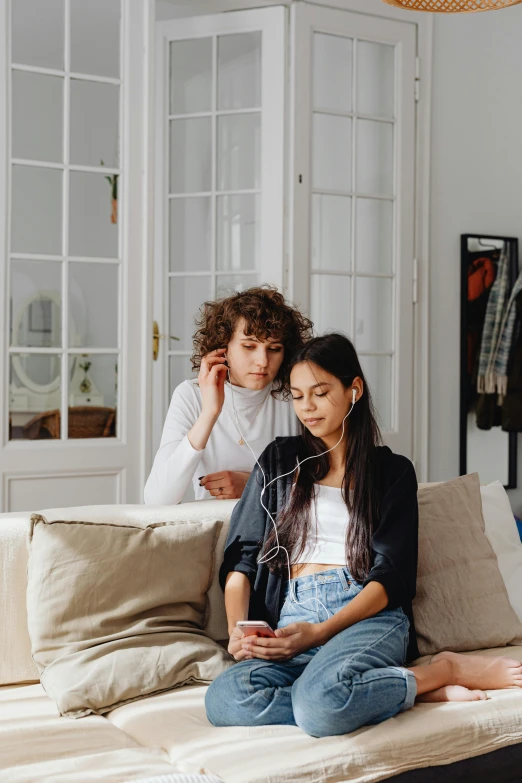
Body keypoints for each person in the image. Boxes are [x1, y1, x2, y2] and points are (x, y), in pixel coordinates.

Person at [205, 333, 522, 737]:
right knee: (226, 698)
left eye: (320, 393)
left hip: (365, 615)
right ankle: (387, 689)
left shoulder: (392, 472)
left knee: (319, 709)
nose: (307, 408)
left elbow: (392, 576)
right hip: (291, 619)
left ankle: (443, 670)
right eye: (298, 396)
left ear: (353, 389)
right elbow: (242, 558)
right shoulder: (278, 462)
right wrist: (239, 629)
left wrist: (319, 633)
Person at [144, 286, 313, 505]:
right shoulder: (191, 395)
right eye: (249, 346)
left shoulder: (294, 395)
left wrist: (256, 485)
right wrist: (210, 412)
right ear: (223, 347)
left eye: (274, 349)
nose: (262, 361)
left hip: (282, 532)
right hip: (214, 531)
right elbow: (157, 500)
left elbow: (327, 480)